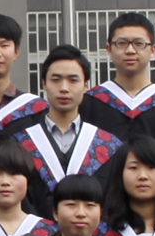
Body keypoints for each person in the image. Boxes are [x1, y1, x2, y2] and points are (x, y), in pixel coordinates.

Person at [15, 45, 123, 209]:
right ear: (44, 84)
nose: (64, 88)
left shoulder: (108, 146)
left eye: (73, 80)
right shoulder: (20, 145)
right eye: (56, 80)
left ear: (85, 85)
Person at [89, 11, 155, 143]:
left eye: (139, 43)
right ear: (109, 49)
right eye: (122, 43)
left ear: (153, 50)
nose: (130, 50)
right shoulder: (90, 102)